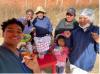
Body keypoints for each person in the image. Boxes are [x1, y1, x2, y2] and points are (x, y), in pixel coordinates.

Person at [69, 8, 99, 74]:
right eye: (80, 18)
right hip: (73, 63)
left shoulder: (96, 30)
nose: (82, 20)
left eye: (85, 18)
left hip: (85, 65)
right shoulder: (75, 32)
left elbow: (98, 50)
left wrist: (98, 41)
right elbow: (70, 46)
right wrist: (67, 38)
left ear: (91, 19)